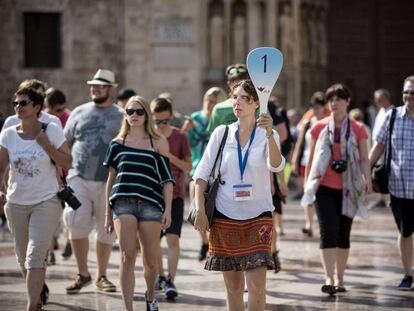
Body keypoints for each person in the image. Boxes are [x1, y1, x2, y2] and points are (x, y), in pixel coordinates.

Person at [193, 80, 285, 310]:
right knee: (233, 288)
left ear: (256, 103)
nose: (237, 102)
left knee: (257, 286)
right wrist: (200, 210)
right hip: (224, 217)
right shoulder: (221, 132)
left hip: (258, 216)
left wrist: (269, 135)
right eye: (235, 97)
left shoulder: (268, 134)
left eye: (244, 98)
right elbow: (201, 175)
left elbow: (276, 165)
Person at [0, 86, 72, 310]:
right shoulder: (8, 134)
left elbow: (67, 162)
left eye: (23, 103)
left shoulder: (50, 129)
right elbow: (1, 167)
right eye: (16, 103)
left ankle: (31, 305)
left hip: (46, 200)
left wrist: (46, 145)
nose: (18, 107)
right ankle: (38, 296)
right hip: (15, 203)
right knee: (23, 258)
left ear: (37, 107)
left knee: (35, 255)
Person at [104, 95, 173, 311]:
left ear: (146, 115)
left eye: (139, 111)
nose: (134, 115)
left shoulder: (158, 142)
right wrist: (107, 213)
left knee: (151, 260)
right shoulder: (116, 144)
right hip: (122, 202)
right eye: (130, 111)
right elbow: (111, 180)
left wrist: (168, 210)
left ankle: (151, 297)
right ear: (125, 115)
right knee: (127, 255)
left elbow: (167, 180)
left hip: (151, 204)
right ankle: (128, 308)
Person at [303, 83, 371, 295]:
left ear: (347, 102)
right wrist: (308, 186)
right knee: (327, 231)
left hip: (348, 187)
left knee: (343, 234)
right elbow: (312, 159)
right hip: (323, 186)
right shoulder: (319, 127)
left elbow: (364, 159)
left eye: (338, 99)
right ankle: (329, 277)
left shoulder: (358, 129)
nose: (334, 103)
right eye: (331, 99)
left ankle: (340, 278)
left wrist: (367, 180)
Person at [63, 69, 123, 294]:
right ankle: (82, 273)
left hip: (109, 179)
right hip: (78, 176)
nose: (95, 88)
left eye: (100, 85)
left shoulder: (122, 115)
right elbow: (65, 143)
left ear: (111, 88)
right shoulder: (79, 112)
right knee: (75, 220)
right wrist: (61, 175)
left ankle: (102, 275)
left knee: (105, 228)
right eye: (93, 85)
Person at [369, 76, 414, 290]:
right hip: (399, 187)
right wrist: (365, 170)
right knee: (405, 232)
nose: (409, 96)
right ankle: (407, 274)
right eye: (406, 92)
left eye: (413, 93)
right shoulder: (393, 116)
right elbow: (379, 146)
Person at [151, 97, 192, 300]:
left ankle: (171, 279)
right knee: (154, 241)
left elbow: (188, 166)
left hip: (175, 195)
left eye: (164, 121)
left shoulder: (180, 137)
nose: (160, 126)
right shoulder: (146, 137)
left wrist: (168, 156)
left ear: (171, 118)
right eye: (156, 121)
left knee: (173, 239)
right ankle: (160, 275)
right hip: (152, 194)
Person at [182, 86, 227, 261]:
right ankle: (204, 242)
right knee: (196, 207)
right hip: (198, 167)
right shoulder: (196, 118)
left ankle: (215, 244)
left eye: (214, 101)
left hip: (218, 170)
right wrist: (186, 130)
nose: (210, 104)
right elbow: (188, 142)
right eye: (208, 100)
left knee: (216, 210)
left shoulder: (222, 119)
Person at [291, 91, 327, 237]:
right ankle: (309, 224)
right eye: (313, 106)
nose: (315, 109)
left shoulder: (328, 122)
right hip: (306, 161)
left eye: (318, 106)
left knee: (320, 194)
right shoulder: (307, 122)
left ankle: (322, 223)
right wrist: (295, 159)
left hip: (322, 163)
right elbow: (300, 142)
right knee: (308, 191)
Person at [207, 64, 250, 132]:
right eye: (234, 81)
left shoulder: (256, 105)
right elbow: (213, 137)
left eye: (242, 82)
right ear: (229, 83)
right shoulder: (218, 109)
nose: (239, 86)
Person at [370, 89, 394, 209]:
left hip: (387, 150)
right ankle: (382, 198)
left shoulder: (393, 112)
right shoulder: (380, 112)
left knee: (387, 174)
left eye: (379, 99)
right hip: (378, 149)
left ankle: (389, 198)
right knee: (380, 174)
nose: (377, 102)